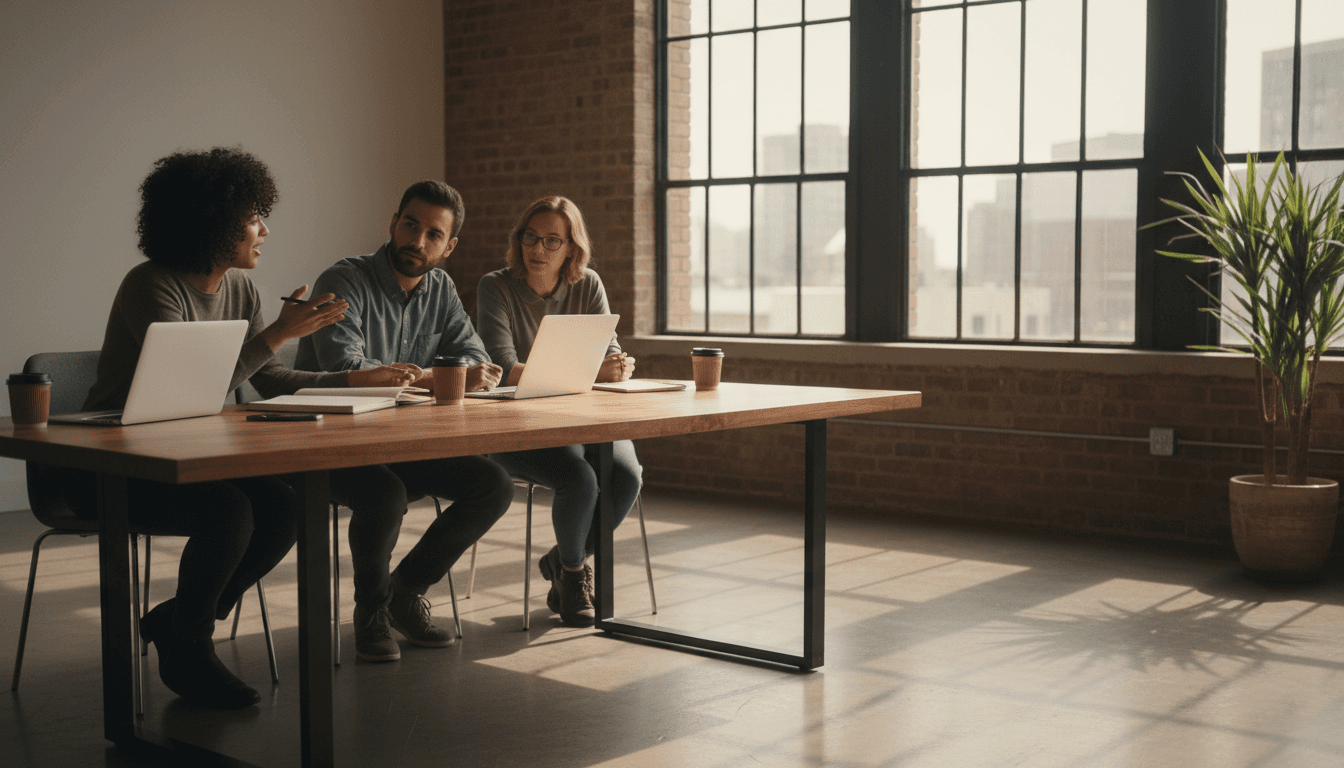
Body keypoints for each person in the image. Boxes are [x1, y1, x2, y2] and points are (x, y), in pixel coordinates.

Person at [47, 147, 417, 709]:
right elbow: (190, 385)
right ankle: (190, 646)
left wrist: (358, 380)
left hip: (188, 457)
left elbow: (268, 379)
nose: (264, 230)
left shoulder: (240, 289)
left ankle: (181, 622)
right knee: (230, 513)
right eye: (254, 218)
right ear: (215, 223)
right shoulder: (151, 285)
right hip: (112, 466)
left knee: (285, 506)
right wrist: (278, 333)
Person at [295, 180, 514, 662]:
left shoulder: (441, 288)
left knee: (494, 485)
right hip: (330, 443)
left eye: (434, 234)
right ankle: (371, 611)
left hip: (404, 442)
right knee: (385, 494)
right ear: (393, 223)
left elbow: (475, 358)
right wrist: (441, 376)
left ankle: (405, 588)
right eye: (411, 225)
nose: (418, 241)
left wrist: (450, 373)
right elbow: (346, 368)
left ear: (449, 247)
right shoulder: (344, 280)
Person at [475, 195, 643, 627]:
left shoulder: (588, 284)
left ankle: (565, 558)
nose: (539, 249)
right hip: (519, 425)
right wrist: (591, 371)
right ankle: (572, 575)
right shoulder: (495, 286)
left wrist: (617, 366)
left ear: (571, 247)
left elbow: (608, 351)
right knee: (580, 479)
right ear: (519, 240)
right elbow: (502, 367)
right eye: (531, 237)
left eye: (552, 241)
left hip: (587, 419)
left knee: (627, 477)